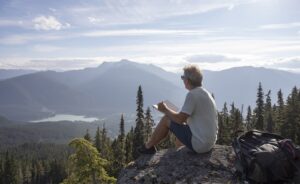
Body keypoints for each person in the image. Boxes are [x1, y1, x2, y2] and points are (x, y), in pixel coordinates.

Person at [138, 64, 218, 154]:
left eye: (182, 77)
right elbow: (187, 118)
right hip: (209, 142)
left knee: (166, 119)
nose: (182, 80)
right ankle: (179, 154)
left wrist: (165, 109)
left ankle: (148, 147)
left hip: (200, 145)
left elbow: (180, 120)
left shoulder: (192, 95)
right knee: (179, 134)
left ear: (187, 80)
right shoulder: (205, 93)